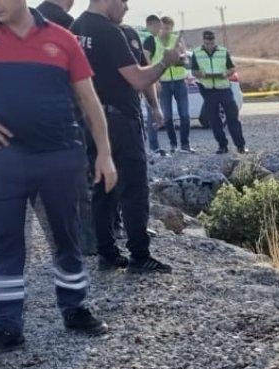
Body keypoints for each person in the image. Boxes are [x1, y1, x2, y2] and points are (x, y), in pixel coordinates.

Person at [0, 0, 117, 356]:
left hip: (61, 156)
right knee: (6, 241)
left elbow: (89, 100)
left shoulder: (61, 38)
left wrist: (104, 154)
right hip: (7, 158)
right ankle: (7, 325)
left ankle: (75, 309)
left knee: (66, 236)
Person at [72, 0, 180, 273]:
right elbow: (138, 79)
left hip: (91, 120)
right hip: (119, 119)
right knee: (133, 188)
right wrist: (166, 61)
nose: (126, 8)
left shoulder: (76, 28)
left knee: (103, 188)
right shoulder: (108, 31)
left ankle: (107, 254)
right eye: (123, 2)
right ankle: (140, 255)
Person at [190, 30, 246, 155]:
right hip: (208, 89)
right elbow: (194, 71)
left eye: (211, 42)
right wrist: (203, 74)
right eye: (207, 42)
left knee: (233, 118)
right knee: (214, 120)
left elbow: (232, 68)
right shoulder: (197, 53)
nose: (210, 44)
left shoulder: (223, 51)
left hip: (224, 88)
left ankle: (240, 146)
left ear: (214, 40)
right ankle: (222, 146)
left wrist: (225, 74)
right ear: (204, 41)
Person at [156, 15, 191, 153]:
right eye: (165, 28)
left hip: (179, 81)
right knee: (168, 117)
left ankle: (185, 145)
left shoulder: (177, 39)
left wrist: (179, 59)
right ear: (160, 27)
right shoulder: (154, 41)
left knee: (185, 115)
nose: (167, 31)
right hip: (163, 83)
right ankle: (173, 145)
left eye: (170, 29)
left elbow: (186, 60)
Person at [131, 17, 162, 156]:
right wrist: (153, 79)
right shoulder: (148, 37)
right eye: (157, 27)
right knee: (150, 113)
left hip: (134, 76)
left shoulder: (137, 32)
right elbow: (146, 60)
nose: (159, 30)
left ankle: (148, 146)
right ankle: (153, 147)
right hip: (143, 78)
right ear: (150, 24)